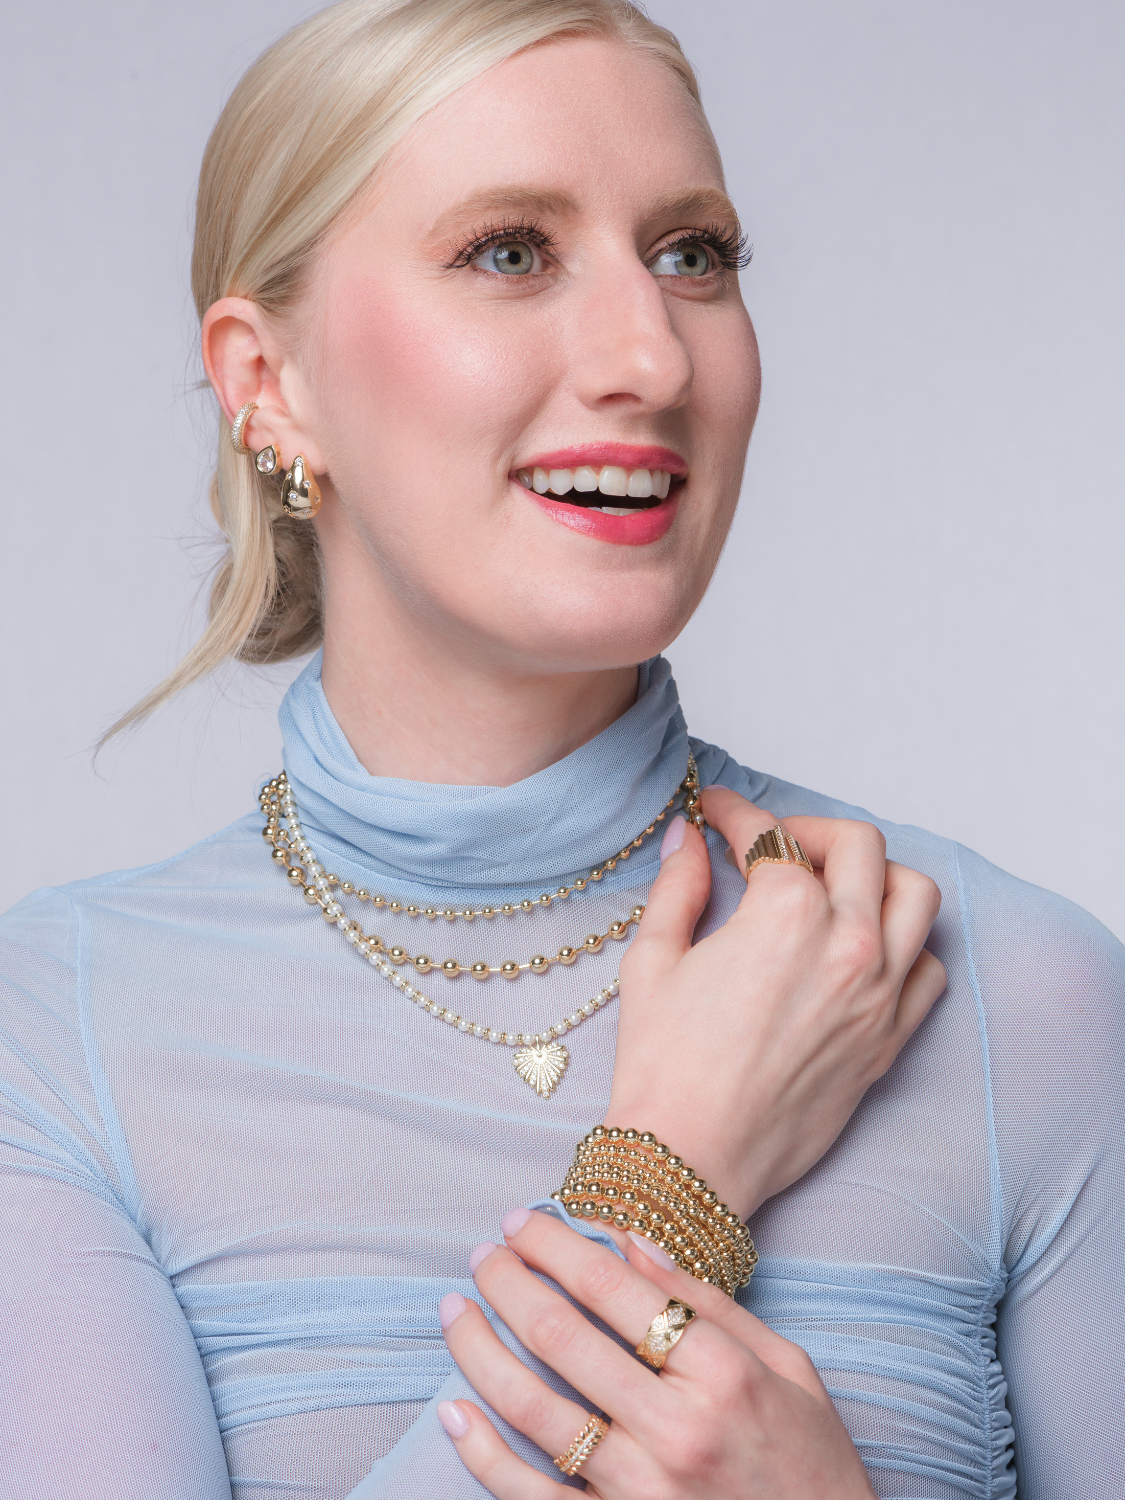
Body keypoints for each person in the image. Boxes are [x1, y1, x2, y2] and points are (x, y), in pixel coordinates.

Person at [1, 2, 1121, 1497]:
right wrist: (671, 1171)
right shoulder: (54, 1042)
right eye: (511, 252)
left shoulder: (1010, 994)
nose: (650, 355)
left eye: (692, 254)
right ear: (269, 383)